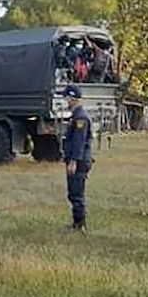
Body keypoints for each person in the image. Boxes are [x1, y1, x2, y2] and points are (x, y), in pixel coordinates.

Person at [61, 85, 93, 232]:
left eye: (67, 98)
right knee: (73, 192)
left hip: (79, 162)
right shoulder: (76, 116)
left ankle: (79, 225)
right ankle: (77, 223)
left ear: (72, 99)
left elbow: (79, 142)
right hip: (78, 160)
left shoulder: (80, 118)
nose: (66, 101)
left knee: (76, 193)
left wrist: (73, 161)